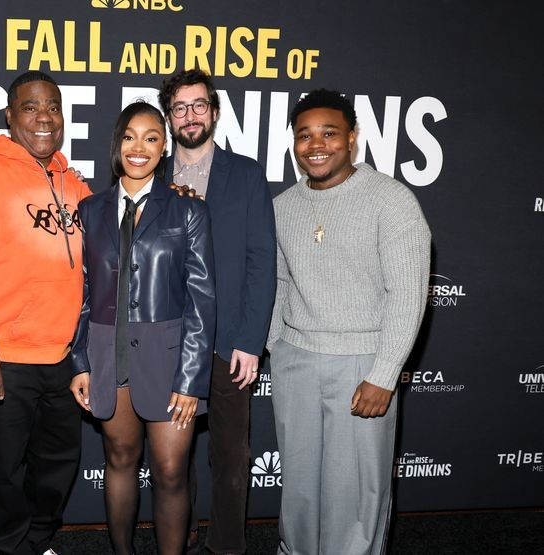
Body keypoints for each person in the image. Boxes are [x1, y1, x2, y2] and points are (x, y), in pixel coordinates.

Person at [268, 89, 430, 554]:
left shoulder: (391, 200)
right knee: (298, 486)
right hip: (296, 362)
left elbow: (407, 294)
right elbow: (277, 282)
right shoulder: (283, 206)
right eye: (305, 135)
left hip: (362, 365)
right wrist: (277, 346)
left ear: (352, 138)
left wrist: (383, 375)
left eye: (329, 133)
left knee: (358, 493)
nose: (316, 144)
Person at [0, 70, 91, 555]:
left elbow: (118, 237)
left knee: (58, 466)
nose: (43, 117)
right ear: (10, 117)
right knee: (5, 475)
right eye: (30, 107)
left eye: (52, 106)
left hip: (64, 358)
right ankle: (7, 549)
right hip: (5, 356)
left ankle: (37, 544)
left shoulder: (74, 185)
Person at [69, 101, 216, 555]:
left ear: (164, 146)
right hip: (108, 355)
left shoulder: (187, 211)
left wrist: (191, 380)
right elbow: (82, 293)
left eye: (152, 138)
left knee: (171, 470)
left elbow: (202, 300)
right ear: (117, 145)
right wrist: (79, 362)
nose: (139, 147)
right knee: (119, 461)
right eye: (130, 136)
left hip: (170, 361)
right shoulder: (90, 210)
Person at [158, 69, 277, 555]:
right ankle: (176, 536)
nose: (190, 116)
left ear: (214, 111)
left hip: (229, 340)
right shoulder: (150, 171)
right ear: (169, 116)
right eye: (180, 107)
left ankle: (227, 545)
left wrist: (250, 340)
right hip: (166, 341)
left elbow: (261, 262)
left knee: (230, 454)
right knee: (173, 457)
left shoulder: (245, 174)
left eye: (198, 105)